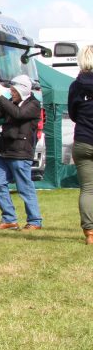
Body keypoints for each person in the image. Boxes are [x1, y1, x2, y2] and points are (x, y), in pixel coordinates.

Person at [0, 74, 43, 231]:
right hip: (5, 151)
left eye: (14, 91)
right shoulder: (10, 102)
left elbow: (18, 114)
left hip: (21, 153)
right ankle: (9, 219)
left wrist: (0, 96)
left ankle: (35, 221)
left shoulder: (34, 104)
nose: (11, 93)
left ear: (22, 91)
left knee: (24, 187)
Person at [68, 45, 93, 244]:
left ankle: (90, 233)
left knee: (87, 189)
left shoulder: (76, 86)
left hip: (83, 141)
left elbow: (74, 114)